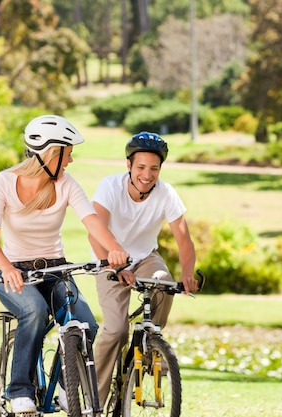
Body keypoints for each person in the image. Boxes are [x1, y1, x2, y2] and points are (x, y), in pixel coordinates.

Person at [0, 114, 129, 414]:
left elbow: (92, 221)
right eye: (68, 152)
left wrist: (115, 250)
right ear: (51, 152)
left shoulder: (65, 184)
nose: (71, 160)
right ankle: (20, 391)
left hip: (56, 269)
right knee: (34, 311)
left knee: (86, 324)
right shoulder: (3, 183)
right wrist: (8, 268)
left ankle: (66, 386)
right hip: (15, 271)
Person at [88, 131, 200, 404]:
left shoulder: (166, 193)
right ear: (129, 165)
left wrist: (187, 274)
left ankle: (152, 345)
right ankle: (94, 399)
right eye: (141, 167)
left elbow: (184, 240)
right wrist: (113, 263)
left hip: (146, 257)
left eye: (154, 168)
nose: (147, 175)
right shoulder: (109, 186)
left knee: (164, 282)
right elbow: (95, 232)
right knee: (116, 331)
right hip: (108, 259)